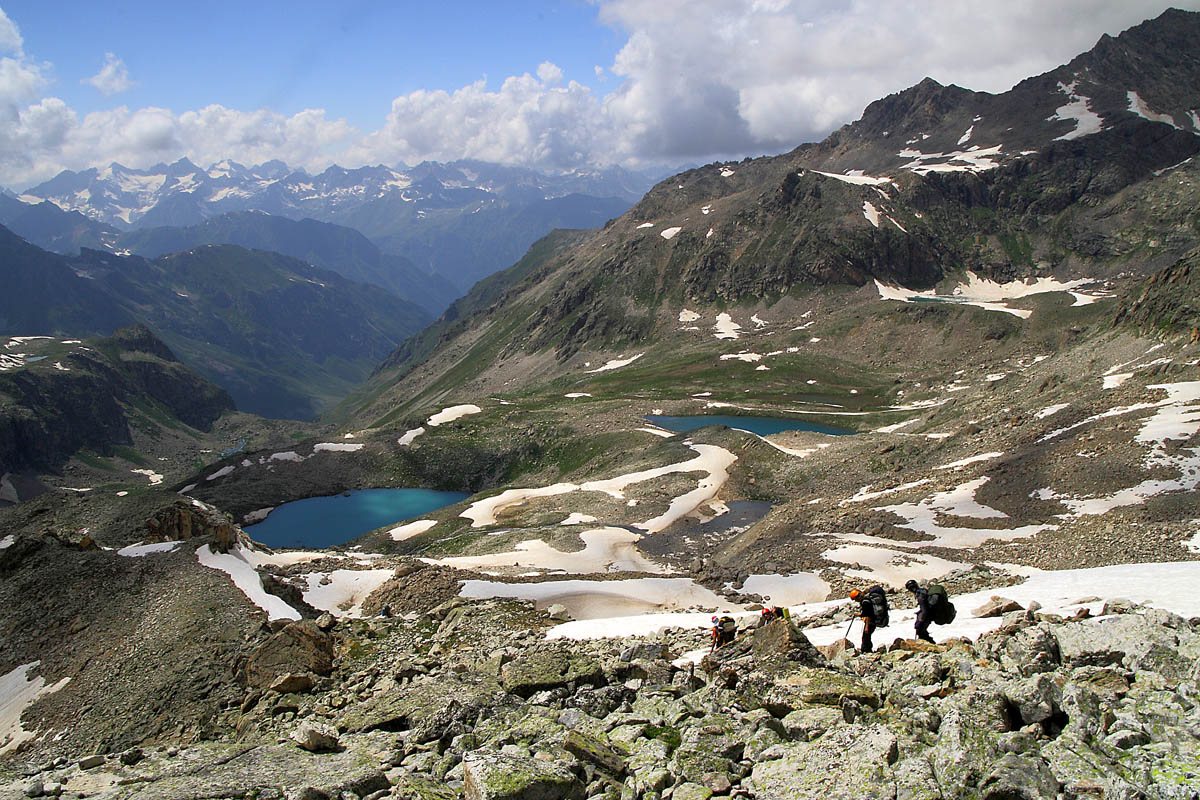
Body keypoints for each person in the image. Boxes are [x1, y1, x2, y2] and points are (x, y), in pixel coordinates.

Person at [850, 586, 888, 652]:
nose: (855, 601)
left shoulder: (865, 602)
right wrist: (859, 614)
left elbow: (868, 615)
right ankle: (867, 649)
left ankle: (866, 650)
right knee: (867, 636)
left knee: (866, 636)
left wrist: (866, 627)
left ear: (857, 597)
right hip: (873, 620)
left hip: (870, 621)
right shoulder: (867, 599)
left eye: (855, 599)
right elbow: (866, 613)